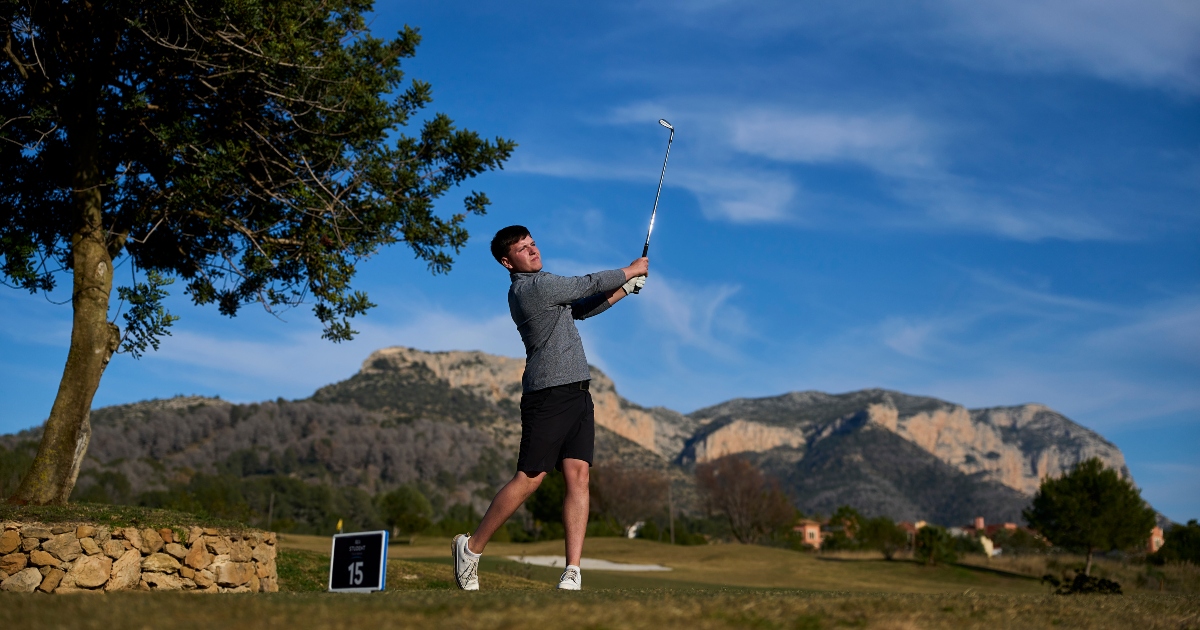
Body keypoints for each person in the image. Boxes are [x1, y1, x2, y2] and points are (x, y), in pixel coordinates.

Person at [452, 225, 648, 591]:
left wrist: (624, 289)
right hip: (548, 394)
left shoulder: (544, 288)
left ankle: (572, 570)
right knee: (530, 478)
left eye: (533, 244)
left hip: (576, 391)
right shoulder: (533, 288)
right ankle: (471, 548)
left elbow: (583, 309)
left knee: (579, 476)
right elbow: (585, 285)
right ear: (507, 262)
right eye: (523, 250)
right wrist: (630, 270)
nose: (533, 251)